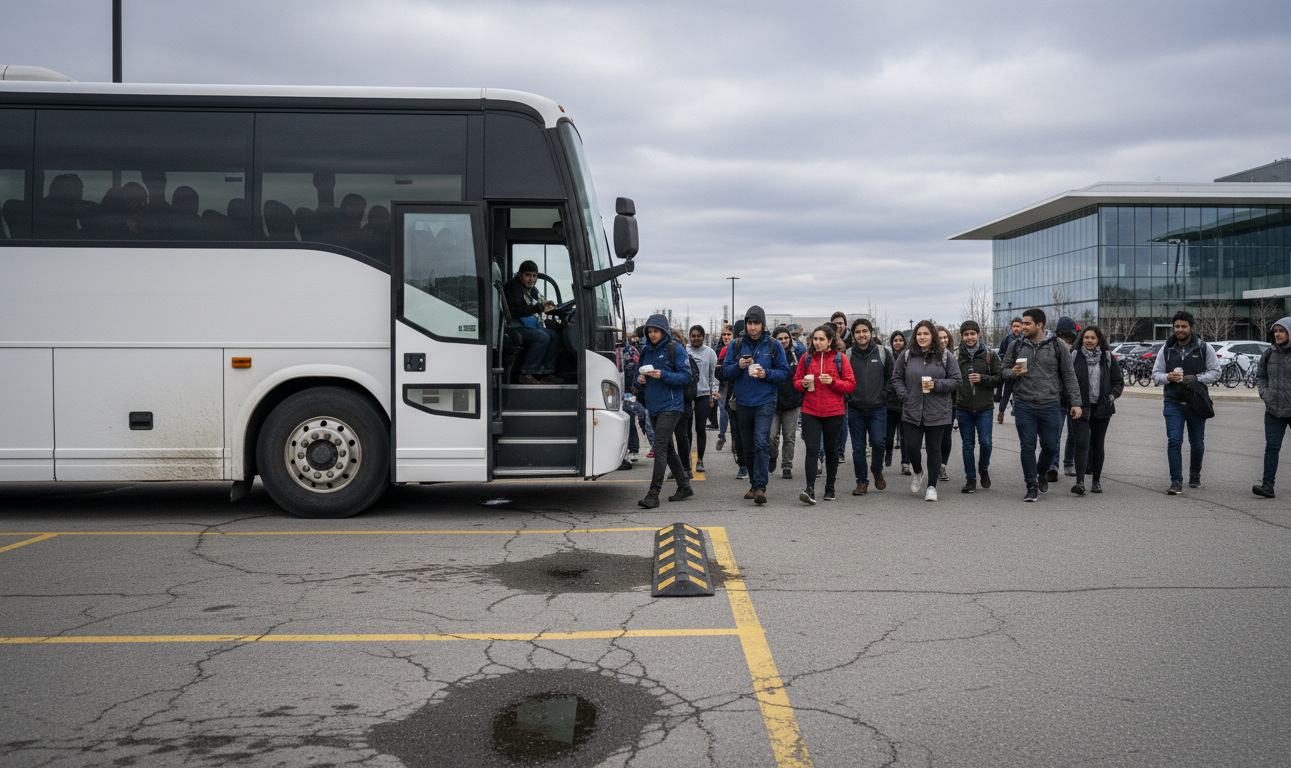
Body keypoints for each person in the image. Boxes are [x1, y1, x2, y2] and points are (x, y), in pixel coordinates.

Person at [1000, 308, 1082, 502]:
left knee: (1050, 447)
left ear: (1039, 325)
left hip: (1050, 405)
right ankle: (1031, 485)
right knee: (1027, 446)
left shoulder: (1057, 345)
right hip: (1024, 404)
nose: (1023, 327)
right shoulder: (1016, 345)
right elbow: (1003, 370)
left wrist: (1076, 403)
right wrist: (1013, 373)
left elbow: (1069, 375)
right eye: (1022, 323)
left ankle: (1041, 471)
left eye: (1027, 323)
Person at [721, 306, 790, 504]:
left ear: (763, 324)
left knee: (761, 442)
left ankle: (761, 487)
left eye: (756, 323)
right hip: (742, 402)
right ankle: (753, 483)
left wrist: (765, 374)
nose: (753, 327)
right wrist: (739, 366)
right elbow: (725, 372)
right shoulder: (736, 345)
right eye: (750, 323)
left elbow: (784, 373)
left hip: (765, 401)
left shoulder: (773, 345)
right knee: (747, 446)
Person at [1151, 310, 1221, 494]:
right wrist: (1168, 376)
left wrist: (1197, 378)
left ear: (1191, 327)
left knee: (1197, 443)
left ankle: (1195, 474)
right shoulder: (1166, 349)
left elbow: (1216, 372)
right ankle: (1176, 481)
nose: (1179, 330)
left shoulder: (1204, 347)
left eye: (1183, 326)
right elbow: (1156, 375)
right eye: (1176, 326)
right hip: (1173, 402)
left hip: (1197, 402)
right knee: (1174, 441)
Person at [892, 320, 961, 501]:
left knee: (933, 449)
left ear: (933, 336)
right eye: (919, 334)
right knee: (912, 448)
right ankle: (918, 471)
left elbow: (956, 381)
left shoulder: (945, 356)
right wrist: (904, 397)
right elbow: (896, 378)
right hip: (911, 410)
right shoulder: (906, 356)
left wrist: (936, 384)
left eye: (926, 334)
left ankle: (932, 486)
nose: (922, 337)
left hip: (937, 412)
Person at [636, 314, 695, 508]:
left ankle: (653, 494)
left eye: (656, 331)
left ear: (664, 331)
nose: (652, 335)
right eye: (650, 331)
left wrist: (663, 375)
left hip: (672, 406)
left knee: (660, 446)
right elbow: (641, 375)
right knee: (668, 449)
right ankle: (684, 486)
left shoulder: (675, 348)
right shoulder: (645, 351)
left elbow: (686, 377)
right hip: (653, 406)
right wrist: (641, 380)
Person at [794, 324, 856, 503]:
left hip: (833, 411)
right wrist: (802, 384)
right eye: (815, 339)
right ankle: (810, 489)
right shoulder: (806, 358)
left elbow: (850, 384)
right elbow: (796, 381)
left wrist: (833, 381)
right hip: (810, 410)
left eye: (821, 339)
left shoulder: (840, 358)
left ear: (830, 341)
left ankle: (830, 487)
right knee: (812, 450)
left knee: (831, 450)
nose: (818, 342)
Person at [1068, 324, 1123, 495]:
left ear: (1098, 340)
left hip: (1102, 408)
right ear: (1081, 339)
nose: (1089, 341)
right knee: (1082, 443)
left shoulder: (1107, 357)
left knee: (1097, 444)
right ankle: (1080, 482)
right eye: (1086, 338)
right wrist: (1071, 401)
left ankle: (1096, 481)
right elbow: (1066, 380)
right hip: (1079, 407)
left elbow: (1118, 381)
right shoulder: (1074, 356)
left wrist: (1111, 397)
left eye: (1092, 338)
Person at [846, 318, 893, 495]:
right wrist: (849, 397)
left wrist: (883, 395)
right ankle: (861, 482)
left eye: (864, 331)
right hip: (855, 409)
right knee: (858, 448)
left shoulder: (882, 352)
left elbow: (891, 377)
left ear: (871, 333)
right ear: (853, 335)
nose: (861, 335)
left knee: (878, 443)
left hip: (877, 408)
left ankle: (877, 470)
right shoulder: (848, 355)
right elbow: (843, 379)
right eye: (857, 332)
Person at [954, 321, 1003, 493]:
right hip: (963, 407)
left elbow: (1000, 378)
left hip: (984, 408)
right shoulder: (956, 356)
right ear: (962, 336)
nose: (969, 337)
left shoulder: (990, 355)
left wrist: (983, 378)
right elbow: (951, 382)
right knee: (967, 445)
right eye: (966, 334)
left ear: (978, 335)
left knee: (986, 443)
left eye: (972, 334)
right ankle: (970, 479)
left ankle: (983, 468)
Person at [503, 260, 562, 384]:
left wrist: (549, 305)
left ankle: (546, 373)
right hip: (513, 326)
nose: (532, 279)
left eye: (534, 276)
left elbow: (540, 299)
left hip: (524, 325)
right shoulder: (513, 287)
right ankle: (526, 373)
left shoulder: (530, 288)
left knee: (554, 336)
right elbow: (516, 311)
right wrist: (538, 308)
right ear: (520, 275)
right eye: (528, 275)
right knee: (543, 337)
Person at [1253, 316, 1291, 498]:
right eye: (1275, 331)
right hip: (1273, 410)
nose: (1277, 334)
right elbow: (1261, 376)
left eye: (1281, 330)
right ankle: (1268, 485)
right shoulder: (1268, 354)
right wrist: (1265, 394)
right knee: (1272, 447)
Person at [769, 326, 803, 479]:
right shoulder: (770, 355)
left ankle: (787, 466)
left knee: (789, 437)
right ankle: (773, 455)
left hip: (792, 402)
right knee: (771, 436)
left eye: (785, 338)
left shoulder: (796, 355)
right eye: (779, 338)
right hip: (773, 402)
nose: (783, 341)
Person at [686, 324, 720, 474]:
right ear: (689, 337)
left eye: (698, 336)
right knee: (685, 430)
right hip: (686, 395)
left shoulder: (710, 353)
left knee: (700, 428)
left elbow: (713, 375)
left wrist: (714, 393)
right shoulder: (684, 351)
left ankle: (700, 460)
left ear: (703, 337)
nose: (696, 339)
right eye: (693, 336)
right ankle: (684, 461)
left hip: (703, 394)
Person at [1052, 316, 1081, 479]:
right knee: (1055, 434)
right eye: (1061, 336)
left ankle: (1068, 462)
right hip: (1057, 398)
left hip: (1072, 399)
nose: (1064, 340)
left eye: (1067, 337)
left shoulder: (1077, 353)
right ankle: (1053, 465)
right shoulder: (1053, 350)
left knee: (1073, 434)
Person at [885, 331, 910, 475]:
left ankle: (905, 463)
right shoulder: (888, 357)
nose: (898, 343)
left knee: (904, 436)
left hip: (905, 402)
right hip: (889, 403)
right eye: (895, 340)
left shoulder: (908, 357)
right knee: (888, 437)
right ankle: (888, 453)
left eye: (900, 340)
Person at [936, 326, 955, 482]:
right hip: (933, 401)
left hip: (951, 400)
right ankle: (935, 464)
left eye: (945, 337)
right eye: (940, 338)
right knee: (935, 436)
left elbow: (956, 380)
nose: (943, 340)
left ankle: (942, 466)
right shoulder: (930, 357)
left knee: (946, 434)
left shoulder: (952, 356)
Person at [997, 317, 1023, 424]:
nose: (1016, 328)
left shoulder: (1025, 339)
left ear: (1022, 326)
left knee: (1019, 395)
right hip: (1009, 372)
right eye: (1014, 326)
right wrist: (1007, 360)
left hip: (1021, 372)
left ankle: (1018, 415)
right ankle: (1001, 413)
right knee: (1006, 393)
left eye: (1018, 326)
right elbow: (1000, 353)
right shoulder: (1007, 339)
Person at [715, 325, 734, 452]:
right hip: (723, 383)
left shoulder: (737, 347)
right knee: (723, 410)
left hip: (733, 384)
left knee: (733, 411)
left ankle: (735, 440)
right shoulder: (720, 348)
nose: (726, 337)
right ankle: (722, 436)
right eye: (724, 334)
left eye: (728, 334)